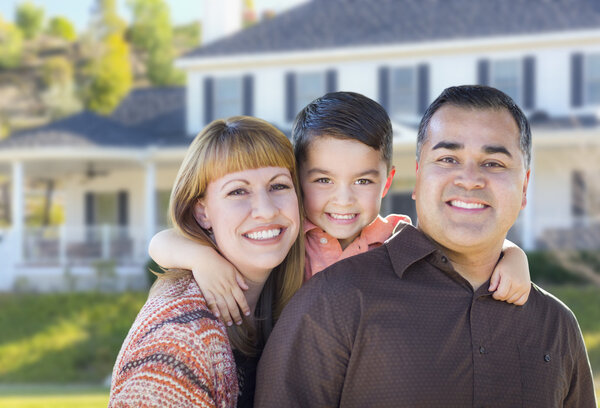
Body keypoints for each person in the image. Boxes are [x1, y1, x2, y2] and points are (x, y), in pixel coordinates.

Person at [254, 86, 597, 407]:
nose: (469, 178)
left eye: (493, 163)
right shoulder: (331, 299)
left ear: (524, 188)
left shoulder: (556, 326)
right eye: (448, 159)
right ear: (417, 178)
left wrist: (513, 253)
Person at [149, 92, 532, 328]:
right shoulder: (285, 237)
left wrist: (513, 256)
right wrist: (202, 259)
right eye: (323, 181)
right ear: (297, 181)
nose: (344, 200)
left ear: (387, 182)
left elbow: (461, 250)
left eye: (363, 182)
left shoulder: (397, 237)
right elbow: (162, 242)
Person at [108, 116, 304, 407]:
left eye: (278, 186)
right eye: (238, 191)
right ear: (203, 213)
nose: (265, 210)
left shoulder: (293, 295)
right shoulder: (178, 342)